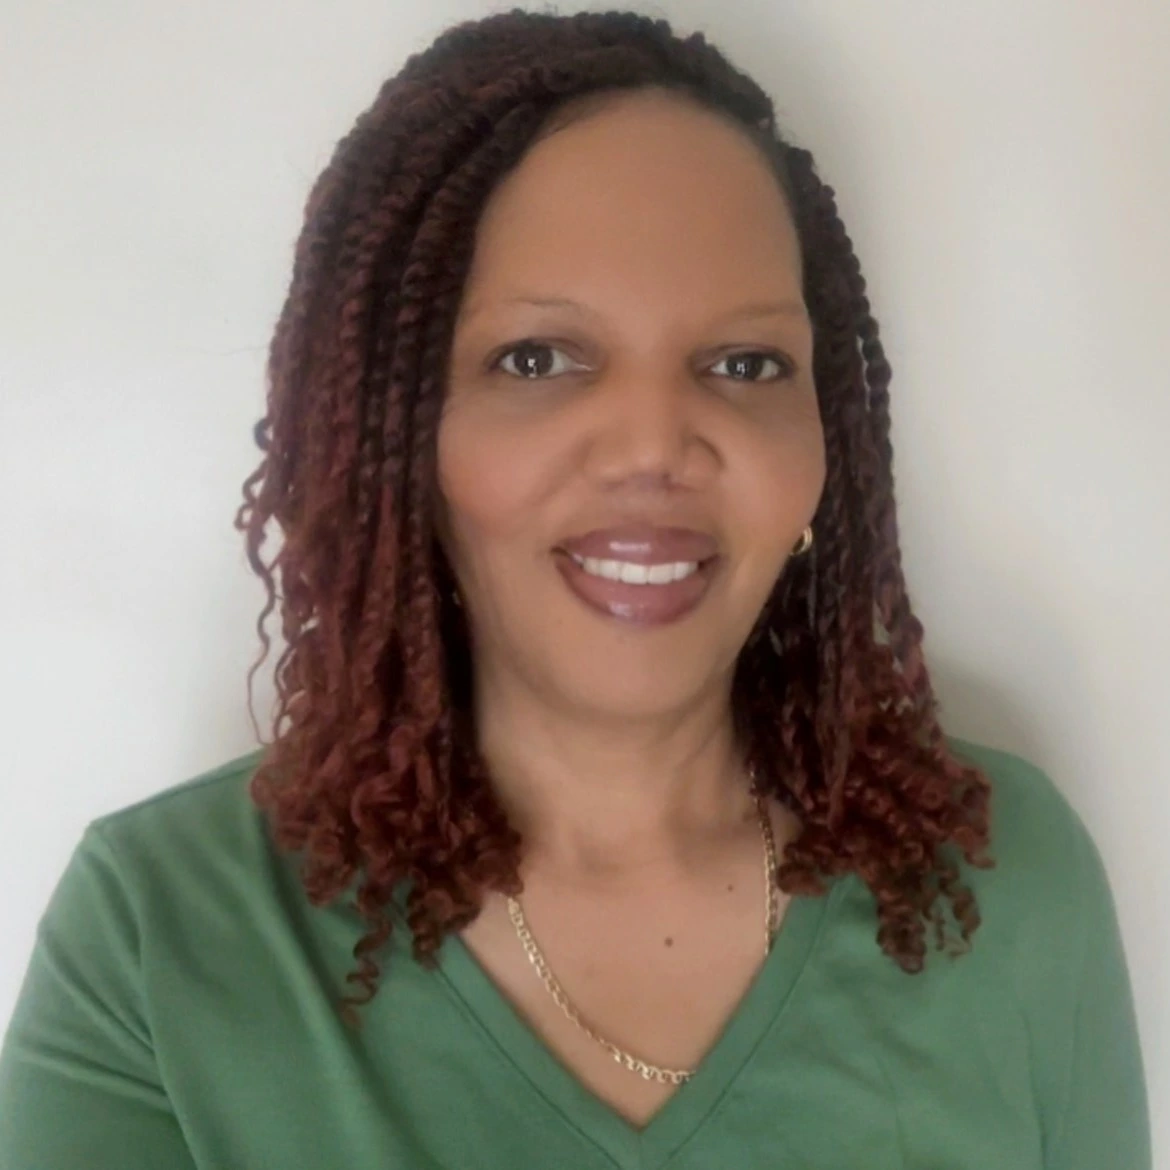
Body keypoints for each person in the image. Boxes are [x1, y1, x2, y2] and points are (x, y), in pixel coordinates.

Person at [0, 9, 1151, 1169]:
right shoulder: (162, 936)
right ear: (398, 440)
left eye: (746, 363)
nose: (653, 447)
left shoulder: (1004, 880)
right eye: (537, 358)